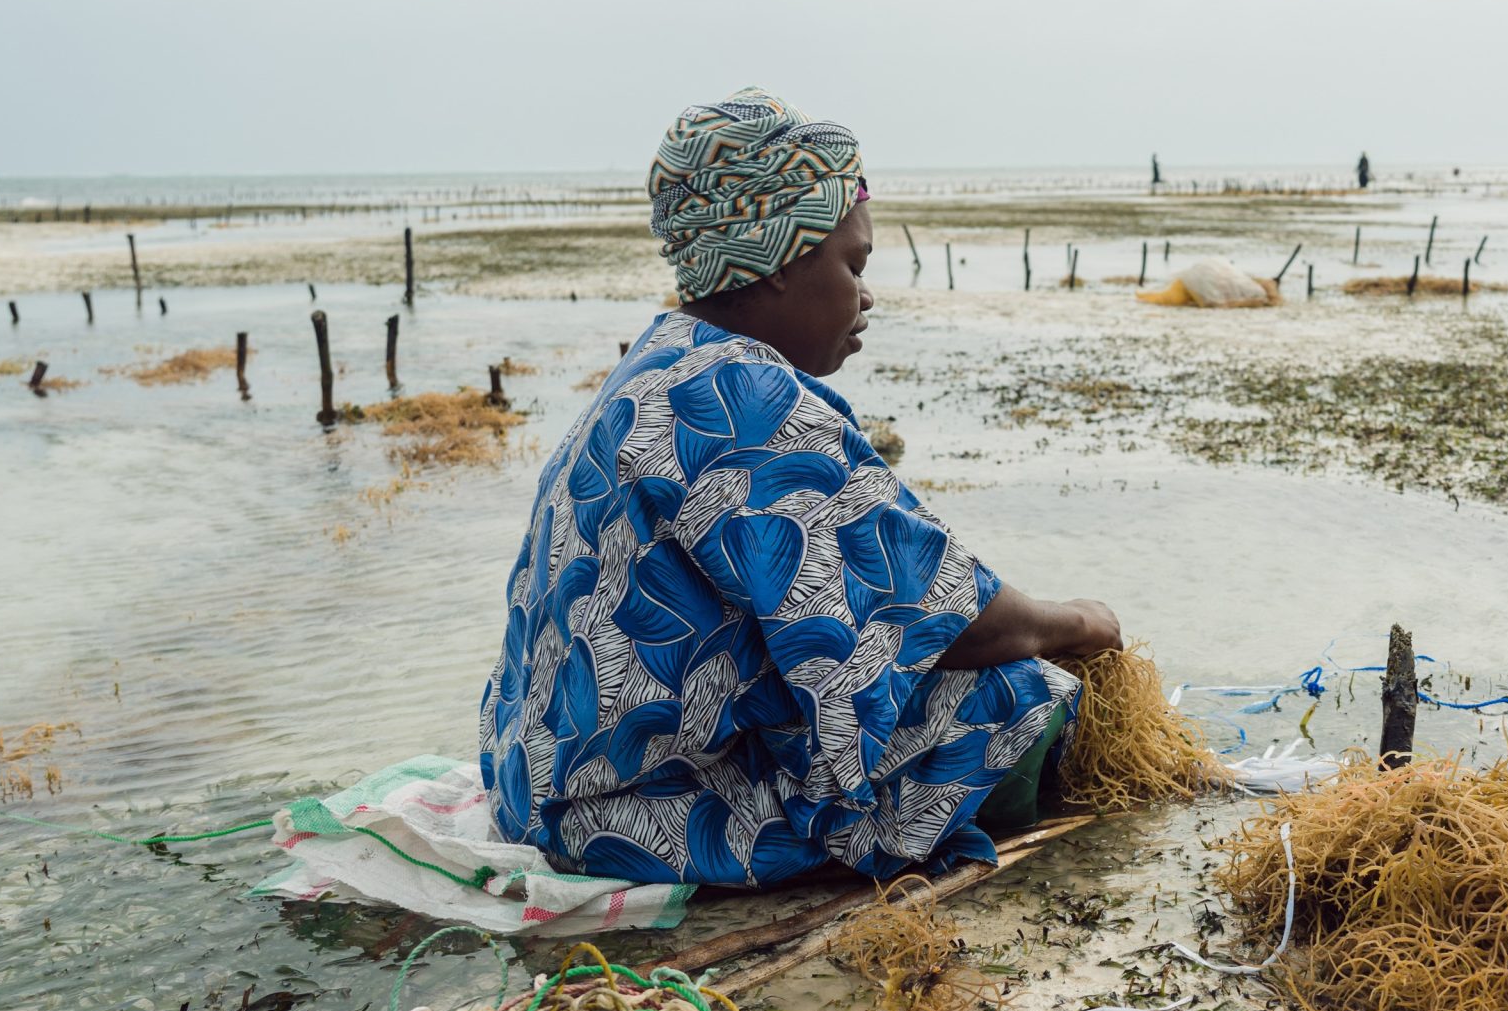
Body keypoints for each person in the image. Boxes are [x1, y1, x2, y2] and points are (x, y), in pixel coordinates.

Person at [479, 88, 1120, 888]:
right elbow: (949, 620)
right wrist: (1081, 622)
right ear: (780, 262)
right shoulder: (745, 399)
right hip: (628, 818)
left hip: (531, 783)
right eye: (854, 263)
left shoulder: (658, 365)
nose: (867, 293)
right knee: (1019, 696)